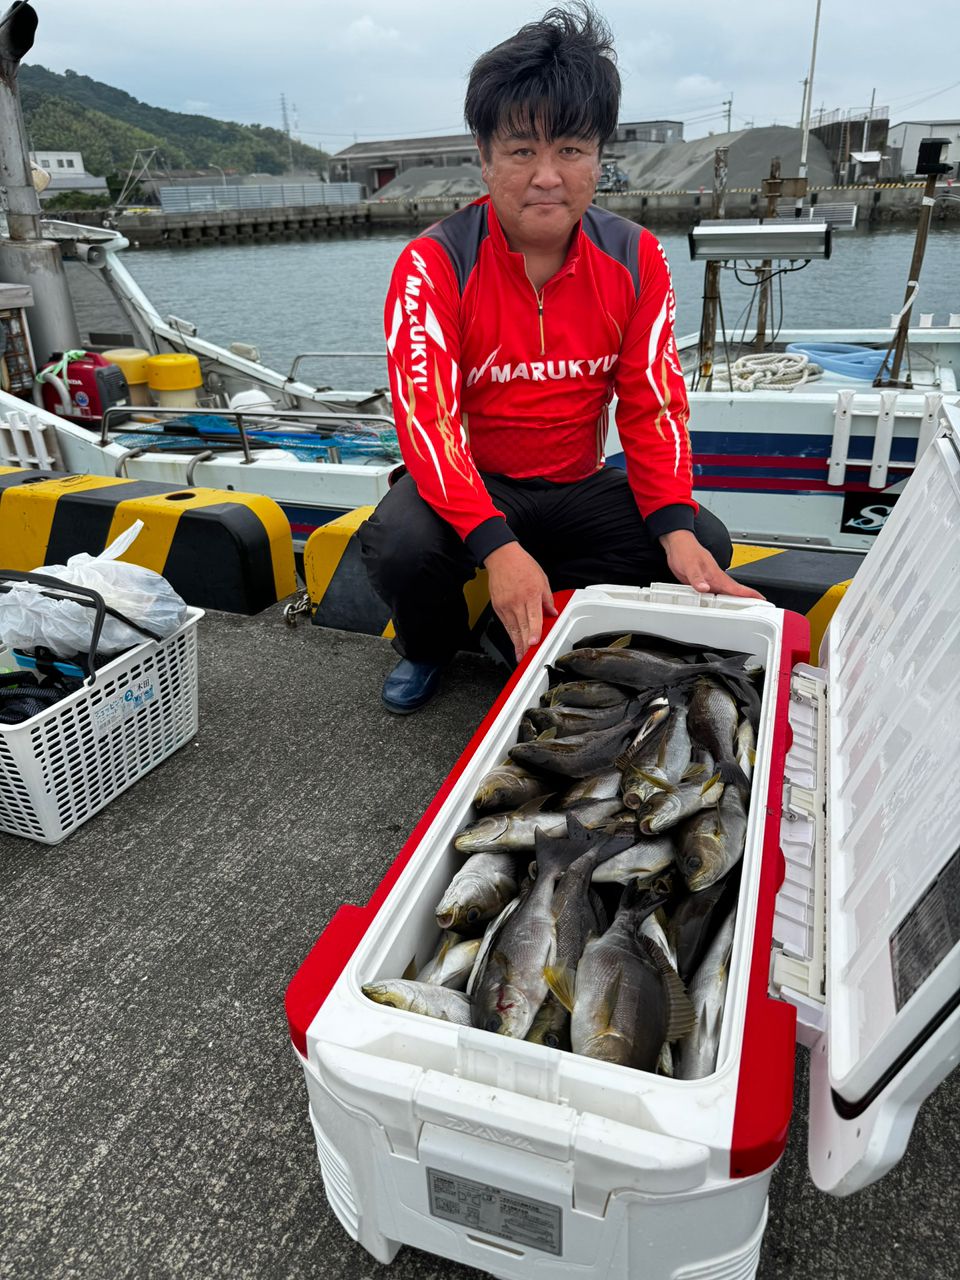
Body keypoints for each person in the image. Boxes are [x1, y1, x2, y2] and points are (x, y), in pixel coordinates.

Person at [360, 3, 761, 714]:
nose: (548, 175)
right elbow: (427, 424)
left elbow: (652, 403)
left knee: (704, 541)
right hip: (479, 483)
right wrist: (496, 546)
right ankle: (429, 647)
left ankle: (537, 614)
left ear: (599, 159)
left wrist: (670, 519)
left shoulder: (636, 256)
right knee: (400, 544)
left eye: (571, 150)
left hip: (578, 481)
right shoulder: (432, 263)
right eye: (521, 151)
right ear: (484, 159)